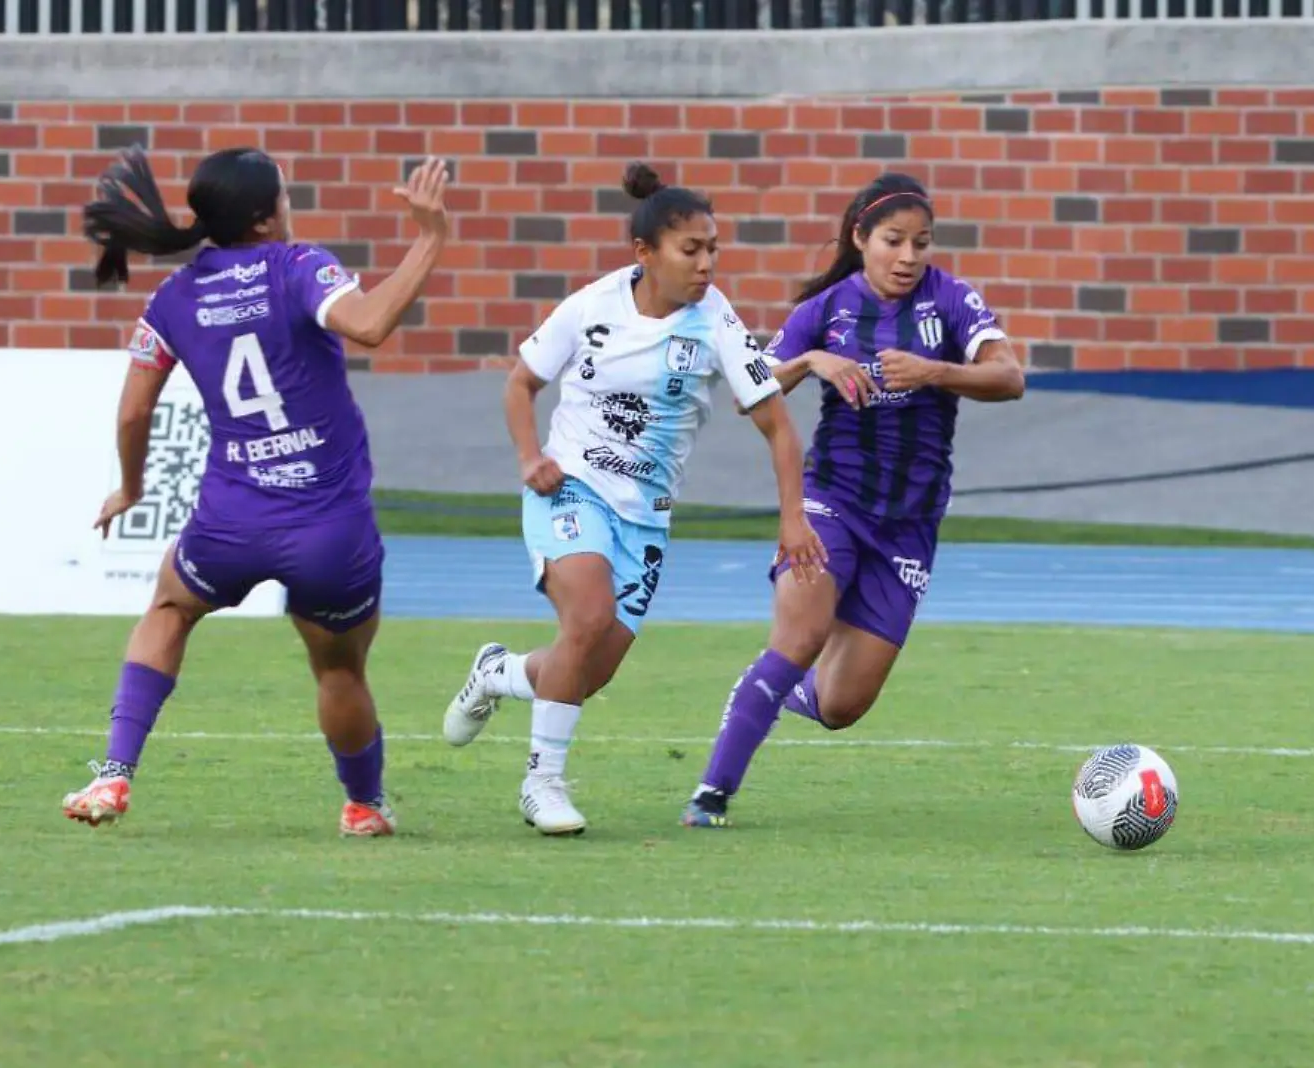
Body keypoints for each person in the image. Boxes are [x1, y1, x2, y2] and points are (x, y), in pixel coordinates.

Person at [63, 146, 450, 837]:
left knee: (169, 609)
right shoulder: (299, 266)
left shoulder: (175, 297)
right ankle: (362, 805)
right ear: (267, 219)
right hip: (329, 528)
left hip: (231, 522)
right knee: (339, 670)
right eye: (285, 197)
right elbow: (368, 324)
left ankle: (115, 773)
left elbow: (131, 411)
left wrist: (130, 488)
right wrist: (430, 237)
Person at [439, 163, 825, 837]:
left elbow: (778, 428)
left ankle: (499, 672)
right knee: (584, 619)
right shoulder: (590, 308)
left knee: (586, 670)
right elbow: (520, 384)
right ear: (644, 254)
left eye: (713, 249)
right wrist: (532, 458)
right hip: (572, 488)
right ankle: (543, 785)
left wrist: (793, 518)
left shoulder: (716, 323)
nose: (706, 264)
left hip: (645, 517)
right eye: (690, 250)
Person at [679, 171, 1026, 829]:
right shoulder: (828, 308)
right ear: (861, 237)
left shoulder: (952, 301)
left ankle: (775, 690)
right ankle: (711, 794)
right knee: (802, 635)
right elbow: (749, 389)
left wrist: (935, 371)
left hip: (910, 526)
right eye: (894, 240)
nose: (908, 256)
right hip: (832, 501)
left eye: (921, 243)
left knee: (842, 706)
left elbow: (1010, 376)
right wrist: (811, 361)